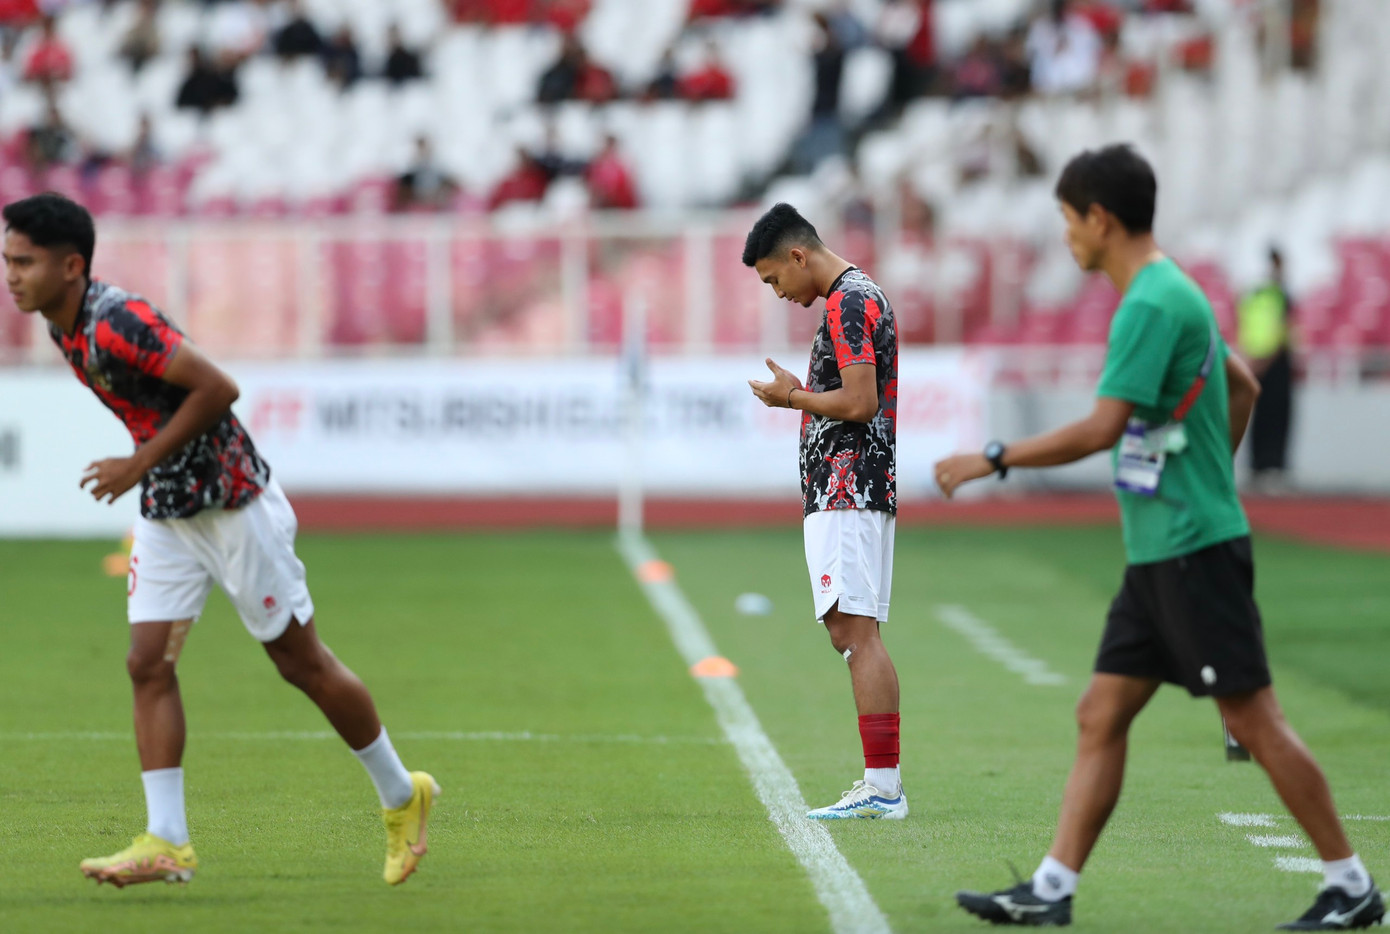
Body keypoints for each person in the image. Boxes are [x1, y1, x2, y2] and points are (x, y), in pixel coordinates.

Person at [934, 145, 1382, 930]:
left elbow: (1106, 427)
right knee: (1098, 715)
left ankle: (1350, 885)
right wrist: (1209, 474)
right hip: (1164, 550)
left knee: (1255, 722)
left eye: (1068, 221)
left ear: (1100, 220)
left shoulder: (1146, 304)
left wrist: (994, 457)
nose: (1066, 236)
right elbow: (1241, 383)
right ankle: (1052, 889)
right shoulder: (1177, 288)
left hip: (1187, 550)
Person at [1, 193, 440, 889]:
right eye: (7, 259)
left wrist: (137, 462)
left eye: (23, 262)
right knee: (146, 663)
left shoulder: (118, 322)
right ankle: (167, 841)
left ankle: (400, 794)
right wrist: (148, 472)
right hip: (168, 511)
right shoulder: (64, 328)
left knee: (302, 664)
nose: (11, 274)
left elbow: (219, 387)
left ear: (72, 266)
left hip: (231, 505)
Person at [743, 203, 906, 821]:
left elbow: (860, 401)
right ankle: (882, 783)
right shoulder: (855, 296)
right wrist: (801, 392)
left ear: (797, 256)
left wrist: (793, 398)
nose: (778, 293)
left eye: (773, 279)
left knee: (855, 634)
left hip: (850, 484)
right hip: (851, 486)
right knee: (853, 631)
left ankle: (883, 787)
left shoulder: (849, 301)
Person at [1238, 247, 1295, 492]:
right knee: (1266, 416)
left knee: (1273, 416)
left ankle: (1272, 467)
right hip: (1263, 362)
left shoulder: (1264, 295)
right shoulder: (1270, 295)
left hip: (1268, 362)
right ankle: (1262, 467)